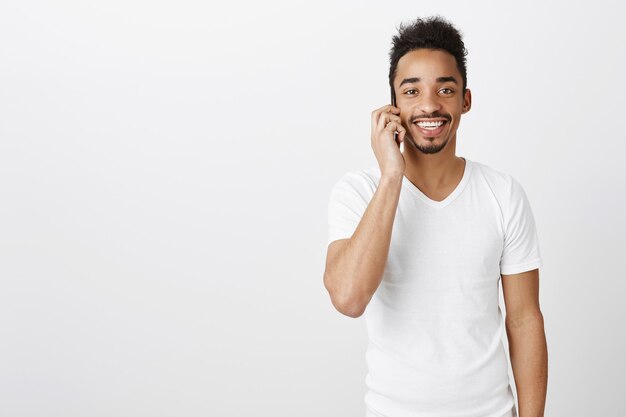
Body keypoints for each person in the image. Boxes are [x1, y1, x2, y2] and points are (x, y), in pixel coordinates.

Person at [323, 16, 548, 417]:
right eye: (412, 91)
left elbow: (525, 320)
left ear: (466, 100)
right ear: (392, 104)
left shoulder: (503, 194)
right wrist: (391, 176)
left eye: (445, 89)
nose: (429, 105)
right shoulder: (357, 192)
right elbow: (349, 297)